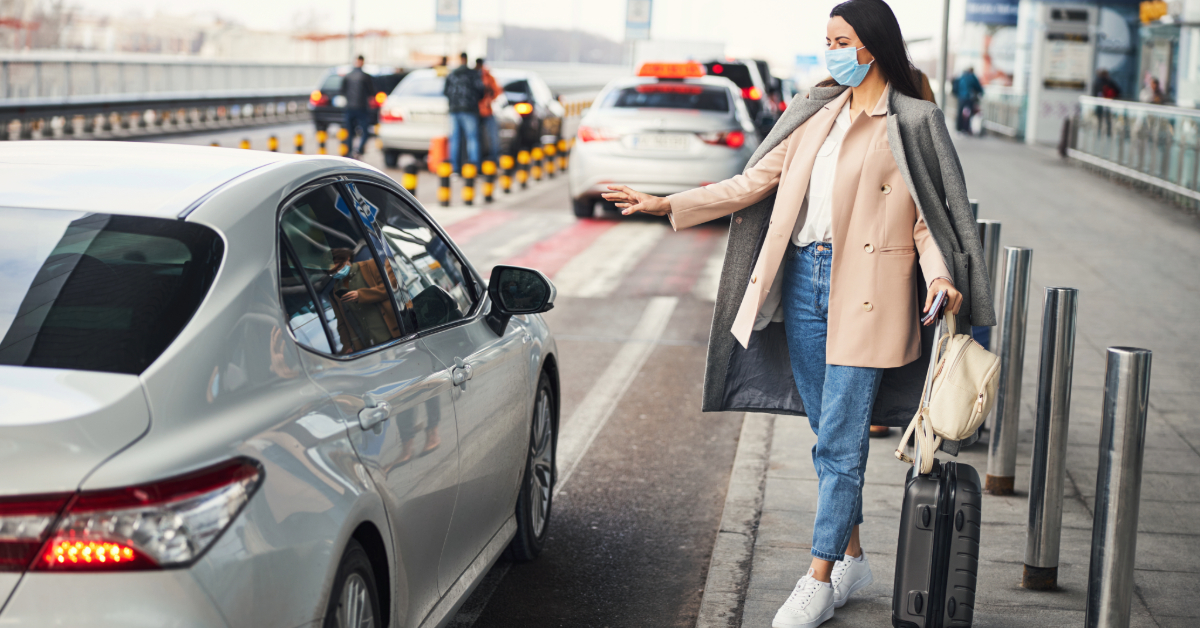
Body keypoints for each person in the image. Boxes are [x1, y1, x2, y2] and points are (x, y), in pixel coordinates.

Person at [603, 1, 995, 626]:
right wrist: (664, 204)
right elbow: (751, 183)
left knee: (840, 441)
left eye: (841, 40)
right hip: (805, 284)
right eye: (827, 39)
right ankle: (854, 558)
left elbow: (932, 216)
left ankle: (816, 578)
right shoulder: (814, 112)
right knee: (826, 438)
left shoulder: (914, 121)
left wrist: (943, 276)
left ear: (870, 46)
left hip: (868, 290)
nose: (830, 51)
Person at [443, 52, 484, 175]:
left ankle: (455, 169)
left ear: (460, 59)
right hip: (469, 110)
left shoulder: (452, 74)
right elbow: (480, 90)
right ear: (466, 59)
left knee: (455, 139)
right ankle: (473, 167)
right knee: (472, 138)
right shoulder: (473, 74)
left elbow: (445, 91)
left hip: (454, 110)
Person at [342, 55, 375, 160]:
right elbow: (372, 92)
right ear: (363, 62)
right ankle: (359, 150)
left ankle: (349, 153)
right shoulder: (366, 76)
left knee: (350, 131)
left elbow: (342, 91)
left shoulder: (348, 76)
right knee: (365, 131)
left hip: (350, 107)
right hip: (362, 108)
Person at [477, 57, 502, 165]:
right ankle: (491, 158)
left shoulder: (486, 76)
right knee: (489, 136)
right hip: (480, 111)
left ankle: (492, 159)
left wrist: (488, 100)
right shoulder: (486, 75)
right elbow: (497, 91)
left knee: (489, 137)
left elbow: (496, 91)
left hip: (483, 111)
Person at [954, 66, 984, 135]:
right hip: (968, 98)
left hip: (960, 97)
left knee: (959, 113)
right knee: (967, 114)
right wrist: (981, 93)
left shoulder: (962, 76)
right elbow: (978, 87)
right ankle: (965, 129)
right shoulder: (972, 77)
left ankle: (958, 129)